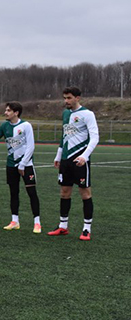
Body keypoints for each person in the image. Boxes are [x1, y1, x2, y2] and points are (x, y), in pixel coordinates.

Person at [0, 102, 41, 233]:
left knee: (32, 193)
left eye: (8, 110)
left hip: (26, 165)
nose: (5, 112)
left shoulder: (26, 125)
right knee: (13, 193)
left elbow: (31, 146)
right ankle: (15, 221)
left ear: (16, 113)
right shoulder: (4, 126)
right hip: (11, 165)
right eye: (6, 110)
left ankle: (37, 222)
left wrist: (23, 164)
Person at [48, 86, 99, 241]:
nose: (66, 101)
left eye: (69, 98)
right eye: (64, 98)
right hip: (66, 160)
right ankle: (63, 226)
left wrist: (84, 156)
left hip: (80, 160)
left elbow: (95, 137)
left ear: (78, 98)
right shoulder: (65, 114)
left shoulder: (87, 114)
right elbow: (64, 136)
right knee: (64, 192)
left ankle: (86, 229)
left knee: (85, 193)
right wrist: (58, 155)